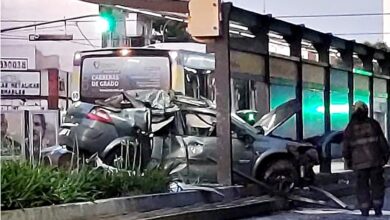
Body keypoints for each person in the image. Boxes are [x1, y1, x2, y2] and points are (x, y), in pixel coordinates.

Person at [343, 101, 390, 216]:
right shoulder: (373, 124)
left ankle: (364, 210)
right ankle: (378, 208)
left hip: (359, 163)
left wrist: (348, 161)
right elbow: (382, 142)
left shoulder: (350, 128)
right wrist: (385, 157)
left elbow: (346, 147)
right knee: (377, 185)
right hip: (375, 161)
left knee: (361, 186)